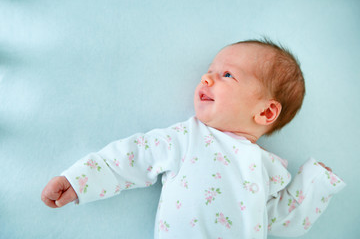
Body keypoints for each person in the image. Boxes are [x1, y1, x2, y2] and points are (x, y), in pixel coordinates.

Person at [41, 39, 345, 238]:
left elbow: (280, 222)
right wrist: (79, 181)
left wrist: (315, 184)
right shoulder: (188, 137)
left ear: (266, 113)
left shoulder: (267, 169)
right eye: (209, 71)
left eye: (228, 75)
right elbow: (131, 158)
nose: (206, 78)